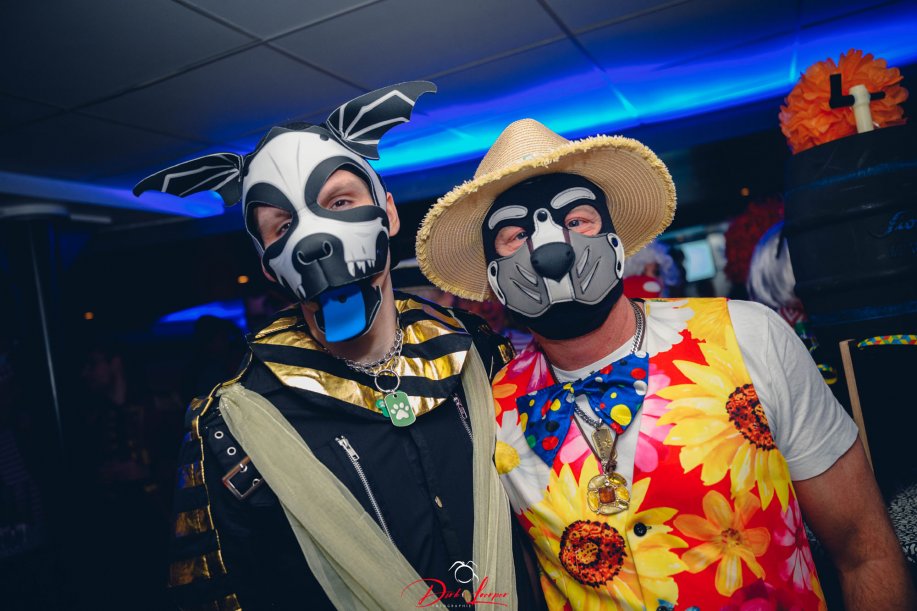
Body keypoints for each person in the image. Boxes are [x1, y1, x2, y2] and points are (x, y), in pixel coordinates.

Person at [416, 118, 916, 609]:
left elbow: (865, 552)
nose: (551, 251)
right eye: (515, 235)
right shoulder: (489, 415)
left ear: (615, 243)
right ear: (494, 277)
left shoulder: (748, 335)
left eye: (577, 221)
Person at [135, 83, 539, 610]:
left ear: (388, 213)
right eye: (282, 226)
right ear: (268, 267)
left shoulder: (477, 353)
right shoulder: (232, 425)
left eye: (341, 202)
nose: (314, 241)